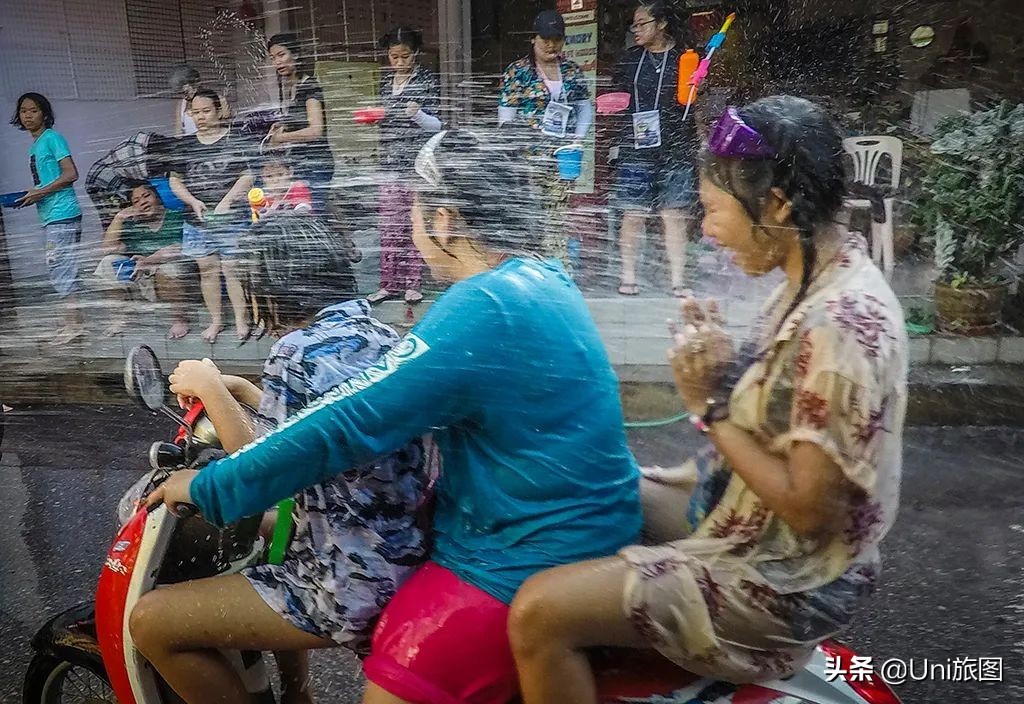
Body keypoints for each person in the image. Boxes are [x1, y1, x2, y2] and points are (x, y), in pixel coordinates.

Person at [146, 130, 642, 704]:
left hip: (511, 563)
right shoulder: (543, 279)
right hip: (560, 537)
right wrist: (251, 400)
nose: (408, 229)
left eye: (414, 213)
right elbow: (372, 406)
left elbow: (343, 425)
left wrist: (208, 486)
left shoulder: (482, 306)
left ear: (447, 221)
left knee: (160, 619)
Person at [509, 97, 909, 704]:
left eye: (716, 210)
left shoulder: (838, 324)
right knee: (599, 489)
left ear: (775, 205)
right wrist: (725, 378)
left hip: (791, 576)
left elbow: (809, 509)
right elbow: (781, 422)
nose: (709, 230)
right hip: (759, 525)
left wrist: (710, 405)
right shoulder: (818, 275)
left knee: (537, 614)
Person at [129, 215, 431, 704]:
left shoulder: (296, 351)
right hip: (399, 552)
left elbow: (259, 470)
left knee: (151, 621)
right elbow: (308, 438)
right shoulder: (377, 333)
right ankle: (297, 694)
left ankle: (298, 689)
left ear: (270, 287)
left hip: (351, 582)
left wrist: (208, 385)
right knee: (275, 534)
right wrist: (245, 391)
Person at [613, 1, 699, 297]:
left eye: (641, 23)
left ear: (661, 23)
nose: (635, 30)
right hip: (636, 147)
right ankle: (628, 275)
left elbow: (693, 104)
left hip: (676, 146)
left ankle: (678, 280)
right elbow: (618, 98)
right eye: (633, 25)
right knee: (633, 213)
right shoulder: (628, 59)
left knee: (674, 214)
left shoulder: (685, 59)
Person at [497, 10, 593, 271]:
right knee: (530, 217)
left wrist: (577, 139)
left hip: (563, 156)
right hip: (529, 158)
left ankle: (559, 272)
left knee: (557, 216)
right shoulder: (518, 72)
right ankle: (531, 272)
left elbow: (585, 108)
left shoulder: (571, 71)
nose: (551, 45)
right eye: (545, 39)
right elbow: (506, 119)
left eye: (557, 39)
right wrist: (515, 152)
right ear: (533, 39)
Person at [168, 88, 254, 343]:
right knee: (207, 270)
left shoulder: (234, 140)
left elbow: (248, 176)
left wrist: (227, 202)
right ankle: (215, 320)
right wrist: (192, 201)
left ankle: (242, 319)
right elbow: (175, 180)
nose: (201, 117)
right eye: (195, 112)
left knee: (232, 268)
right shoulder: (184, 145)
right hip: (197, 220)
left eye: (206, 111)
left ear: (219, 111)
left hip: (232, 219)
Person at [369, 26, 442, 306]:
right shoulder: (386, 82)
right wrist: (374, 116)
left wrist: (419, 114)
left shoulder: (426, 79)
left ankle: (413, 284)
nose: (399, 63)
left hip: (416, 164)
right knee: (389, 226)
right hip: (389, 162)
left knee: (414, 223)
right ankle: (388, 284)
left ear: (416, 54)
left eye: (405, 56)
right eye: (394, 57)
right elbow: (384, 115)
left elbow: (437, 123)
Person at [10, 93, 86, 346]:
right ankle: (71, 323)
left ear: (44, 113)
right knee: (61, 268)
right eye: (23, 111)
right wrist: (32, 196)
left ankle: (73, 326)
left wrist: (38, 193)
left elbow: (71, 174)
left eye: (34, 110)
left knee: (62, 268)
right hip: (53, 214)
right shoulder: (37, 144)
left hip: (62, 214)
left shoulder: (52, 138)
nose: (28, 115)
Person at [92, 180, 189, 339]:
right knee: (107, 263)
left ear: (157, 198)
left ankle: (179, 319)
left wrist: (149, 260)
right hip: (141, 275)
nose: (143, 202)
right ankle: (120, 317)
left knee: (170, 267)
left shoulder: (175, 217)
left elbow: (178, 248)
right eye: (136, 201)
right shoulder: (134, 226)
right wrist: (119, 217)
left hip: (172, 275)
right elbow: (107, 249)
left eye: (146, 196)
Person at [266, 34, 334, 213]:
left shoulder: (309, 86)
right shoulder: (291, 88)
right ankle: (343, 238)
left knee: (309, 215)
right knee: (312, 211)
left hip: (315, 163)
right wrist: (283, 125)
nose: (277, 62)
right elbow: (301, 121)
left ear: (295, 54)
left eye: (281, 55)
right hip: (301, 163)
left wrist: (281, 137)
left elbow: (316, 130)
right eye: (273, 58)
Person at [169, 64, 229, 138]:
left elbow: (227, 128)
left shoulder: (216, 99)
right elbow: (178, 133)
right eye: (179, 93)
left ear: (196, 83)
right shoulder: (181, 104)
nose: (184, 96)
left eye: (185, 92)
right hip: (190, 146)